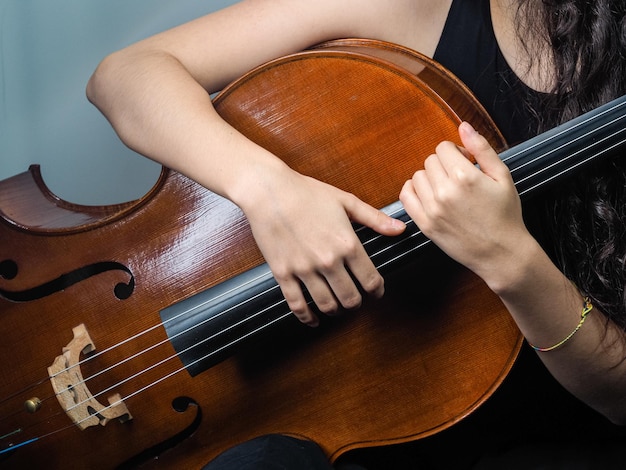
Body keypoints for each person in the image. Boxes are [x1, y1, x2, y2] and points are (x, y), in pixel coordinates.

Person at [87, 0, 626, 467]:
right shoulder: (417, 6)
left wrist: (511, 259)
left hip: (535, 441)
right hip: (332, 423)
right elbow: (125, 75)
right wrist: (267, 188)